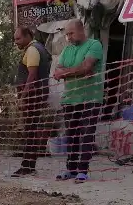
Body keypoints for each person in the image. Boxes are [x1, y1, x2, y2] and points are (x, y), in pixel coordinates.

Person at [53, 19, 104, 183]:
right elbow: (57, 71)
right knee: (71, 135)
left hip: (90, 97)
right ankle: (71, 169)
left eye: (71, 33)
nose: (68, 37)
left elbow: (86, 67)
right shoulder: (67, 50)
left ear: (81, 30)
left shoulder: (94, 45)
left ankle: (83, 171)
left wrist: (67, 72)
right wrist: (77, 71)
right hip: (69, 99)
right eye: (66, 34)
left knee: (87, 135)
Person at [11, 26, 52, 177]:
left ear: (28, 36)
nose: (16, 42)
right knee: (32, 130)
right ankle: (29, 165)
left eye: (18, 38)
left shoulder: (33, 50)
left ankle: (27, 167)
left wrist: (23, 98)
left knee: (30, 131)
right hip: (35, 95)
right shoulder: (37, 48)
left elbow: (32, 75)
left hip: (32, 97)